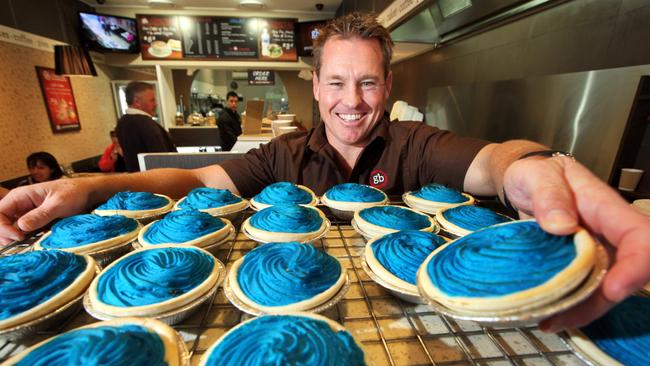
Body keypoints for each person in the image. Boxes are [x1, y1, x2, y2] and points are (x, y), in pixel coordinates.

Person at [0, 13, 648, 334]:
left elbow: (495, 159)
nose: (352, 101)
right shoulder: (280, 157)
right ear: (315, 87)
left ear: (388, 85)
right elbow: (196, 184)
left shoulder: (415, 145)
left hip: (422, 319)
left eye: (368, 82)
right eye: (337, 82)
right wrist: (87, 188)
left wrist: (537, 166)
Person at [115, 82, 176, 172]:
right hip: (156, 179)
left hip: (136, 179)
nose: (155, 104)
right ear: (137, 101)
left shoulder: (122, 123)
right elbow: (162, 160)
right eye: (152, 100)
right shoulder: (147, 125)